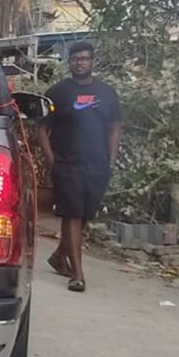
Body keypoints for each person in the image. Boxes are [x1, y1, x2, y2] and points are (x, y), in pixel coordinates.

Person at [38, 41, 122, 293]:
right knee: (72, 215)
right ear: (70, 62)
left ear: (92, 62)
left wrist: (111, 160)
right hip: (68, 165)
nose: (80, 63)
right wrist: (52, 160)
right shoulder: (57, 92)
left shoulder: (107, 93)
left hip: (97, 165)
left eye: (85, 59)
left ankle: (58, 256)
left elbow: (115, 127)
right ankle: (77, 274)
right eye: (76, 59)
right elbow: (41, 128)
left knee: (84, 215)